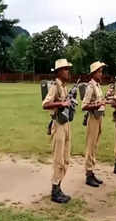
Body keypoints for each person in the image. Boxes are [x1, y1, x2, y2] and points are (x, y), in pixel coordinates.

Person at [42, 59, 73, 203]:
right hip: (58, 125)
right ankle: (55, 190)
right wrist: (62, 103)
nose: (68, 71)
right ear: (59, 72)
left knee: (66, 158)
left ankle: (59, 186)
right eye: (65, 69)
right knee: (58, 159)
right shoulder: (55, 86)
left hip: (66, 124)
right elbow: (46, 104)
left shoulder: (64, 87)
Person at [82, 61, 107, 187]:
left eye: (101, 71)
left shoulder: (97, 85)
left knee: (95, 146)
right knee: (90, 146)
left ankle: (91, 172)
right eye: (99, 72)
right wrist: (98, 104)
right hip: (93, 118)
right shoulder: (90, 87)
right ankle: (88, 174)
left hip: (99, 118)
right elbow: (84, 105)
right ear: (93, 73)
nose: (101, 74)